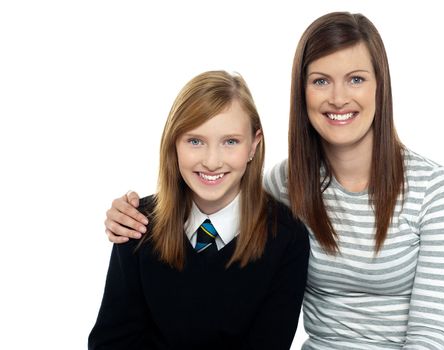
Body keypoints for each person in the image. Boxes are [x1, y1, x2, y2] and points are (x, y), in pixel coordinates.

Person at [104, 12, 444, 350]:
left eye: (356, 79)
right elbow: (216, 198)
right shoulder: (285, 183)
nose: (338, 98)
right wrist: (129, 214)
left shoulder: (435, 193)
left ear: (380, 87)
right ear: (302, 91)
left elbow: (428, 336)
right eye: (320, 81)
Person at [89, 70, 310, 349]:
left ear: (254, 145)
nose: (212, 161)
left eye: (230, 142)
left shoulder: (286, 238)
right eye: (195, 141)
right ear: (175, 144)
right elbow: (111, 342)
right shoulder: (137, 223)